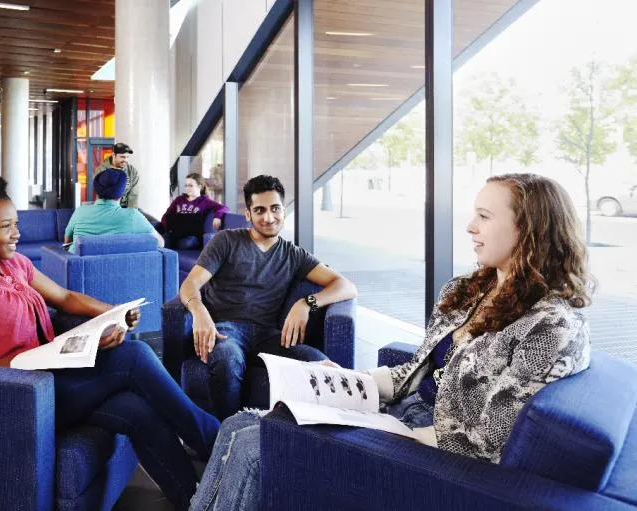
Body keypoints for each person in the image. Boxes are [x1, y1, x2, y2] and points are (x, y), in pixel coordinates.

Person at [190, 173, 595, 511]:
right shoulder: (470, 291)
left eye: (484, 216)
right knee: (239, 424)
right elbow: (419, 369)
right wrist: (352, 379)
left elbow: (487, 442)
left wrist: (384, 428)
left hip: (429, 440)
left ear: (529, 229)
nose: (470, 226)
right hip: (399, 409)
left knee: (255, 443)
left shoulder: (550, 327)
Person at [0, 173, 218, 510]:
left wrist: (111, 312)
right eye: (6, 227)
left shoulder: (13, 264)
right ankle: (217, 441)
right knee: (134, 355)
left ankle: (198, 501)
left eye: (16, 223)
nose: (17, 234)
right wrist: (51, 356)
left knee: (138, 411)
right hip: (13, 398)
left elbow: (64, 297)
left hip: (51, 380)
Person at [179, 175, 358, 421]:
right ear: (248, 214)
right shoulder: (226, 241)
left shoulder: (293, 254)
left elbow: (346, 286)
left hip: (270, 337)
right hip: (226, 331)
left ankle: (316, 443)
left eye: (275, 209)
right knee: (228, 359)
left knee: (322, 365)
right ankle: (224, 439)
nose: (268, 217)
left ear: (284, 210)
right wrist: (199, 313)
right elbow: (190, 285)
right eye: (259, 210)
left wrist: (306, 303)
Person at [64, 168, 162, 253]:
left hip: (77, 269)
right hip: (118, 269)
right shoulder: (133, 216)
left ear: (96, 191)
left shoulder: (80, 211)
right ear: (122, 193)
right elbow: (160, 243)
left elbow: (67, 241)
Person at [160, 173, 230, 249]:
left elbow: (224, 208)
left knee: (187, 243)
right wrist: (165, 227)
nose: (187, 188)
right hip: (175, 233)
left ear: (199, 186)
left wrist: (217, 217)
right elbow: (166, 215)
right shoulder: (179, 199)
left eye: (190, 185)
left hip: (192, 236)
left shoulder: (204, 201)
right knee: (162, 241)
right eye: (186, 185)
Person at [94, 142, 139, 208]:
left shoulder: (132, 171)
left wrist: (131, 213)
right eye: (122, 157)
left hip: (126, 208)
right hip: (108, 208)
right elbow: (99, 196)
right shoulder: (101, 170)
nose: (125, 160)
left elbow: (134, 195)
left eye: (127, 157)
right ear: (113, 155)